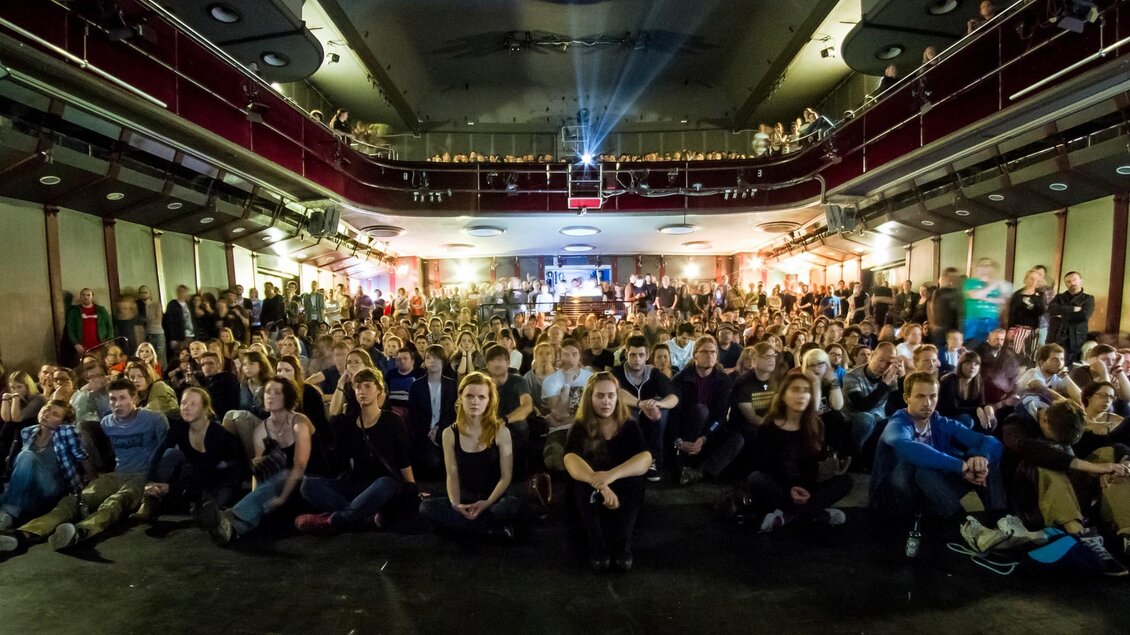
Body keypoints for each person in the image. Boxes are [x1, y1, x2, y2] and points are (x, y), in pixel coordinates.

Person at [8, 379, 168, 551]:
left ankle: (80, 532)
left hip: (143, 476)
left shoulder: (154, 419)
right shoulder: (107, 422)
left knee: (114, 502)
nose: (117, 404)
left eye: (123, 398)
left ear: (134, 399)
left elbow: (168, 450)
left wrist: (158, 482)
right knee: (76, 500)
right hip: (117, 474)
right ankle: (25, 533)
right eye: (113, 399)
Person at [1001, 398, 1130, 571]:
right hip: (1034, 495)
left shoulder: (1066, 421)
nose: (1063, 445)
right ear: (1044, 419)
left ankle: (1126, 535)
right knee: (1049, 465)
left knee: (1111, 457)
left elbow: (1118, 446)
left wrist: (1120, 465)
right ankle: (1078, 534)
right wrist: (1094, 467)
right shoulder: (1016, 422)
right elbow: (1028, 448)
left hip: (1073, 491)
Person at [869, 372, 1005, 522]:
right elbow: (910, 449)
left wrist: (981, 459)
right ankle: (961, 523)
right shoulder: (898, 423)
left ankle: (1000, 520)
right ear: (907, 398)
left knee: (983, 458)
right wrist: (961, 466)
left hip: (934, 493)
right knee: (920, 466)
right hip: (897, 500)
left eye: (932, 396)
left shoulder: (940, 422)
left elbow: (992, 441)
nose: (927, 403)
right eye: (920, 396)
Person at [294, 369, 416, 534]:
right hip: (354, 483)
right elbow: (334, 418)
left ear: (379, 390)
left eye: (367, 386)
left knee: (385, 484)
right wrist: (339, 384)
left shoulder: (392, 420)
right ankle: (363, 516)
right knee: (308, 485)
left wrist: (411, 486)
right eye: (358, 387)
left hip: (380, 483)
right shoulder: (348, 423)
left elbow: (403, 459)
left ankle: (332, 519)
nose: (362, 391)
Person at [200, 377, 313, 544]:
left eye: (277, 392)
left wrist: (281, 498)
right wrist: (256, 493)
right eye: (268, 392)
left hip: (308, 481)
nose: (270, 396)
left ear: (287, 397)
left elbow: (300, 466)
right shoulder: (262, 429)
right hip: (276, 483)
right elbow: (258, 472)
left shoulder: (299, 423)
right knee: (265, 479)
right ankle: (231, 530)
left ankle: (230, 515)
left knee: (283, 476)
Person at [745, 370, 853, 532]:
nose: (801, 395)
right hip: (780, 485)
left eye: (806, 391)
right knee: (756, 479)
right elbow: (764, 465)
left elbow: (815, 466)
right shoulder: (769, 426)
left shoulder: (816, 425)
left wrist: (808, 489)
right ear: (783, 396)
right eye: (795, 390)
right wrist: (790, 489)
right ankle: (817, 513)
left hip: (808, 486)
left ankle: (787, 516)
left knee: (847, 481)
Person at [563, 372, 652, 571]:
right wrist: (601, 485)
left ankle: (623, 545)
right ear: (590, 398)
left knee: (636, 481)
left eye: (611, 396)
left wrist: (610, 477)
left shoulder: (629, 425)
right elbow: (571, 460)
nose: (606, 401)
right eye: (600, 396)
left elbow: (645, 459)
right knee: (581, 484)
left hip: (619, 486)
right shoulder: (579, 426)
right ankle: (597, 546)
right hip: (591, 489)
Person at [420, 372, 521, 540]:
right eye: (470, 396)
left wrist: (486, 504)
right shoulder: (449, 433)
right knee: (426, 508)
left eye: (482, 397)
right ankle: (489, 531)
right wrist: (456, 504)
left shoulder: (501, 432)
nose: (475, 401)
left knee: (510, 507)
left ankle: (464, 530)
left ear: (489, 401)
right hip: (466, 496)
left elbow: (506, 477)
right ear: (460, 398)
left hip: (494, 499)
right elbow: (452, 474)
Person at [134, 388, 245, 522]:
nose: (186, 407)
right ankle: (149, 501)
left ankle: (209, 511)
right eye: (183, 403)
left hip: (221, 478)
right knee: (171, 454)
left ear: (204, 409)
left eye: (193, 404)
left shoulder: (217, 433)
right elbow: (158, 452)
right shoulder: (180, 427)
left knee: (207, 507)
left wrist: (172, 488)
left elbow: (208, 470)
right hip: (194, 475)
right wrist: (151, 480)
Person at [0, 401, 94, 539]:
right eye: (47, 409)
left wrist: (93, 487)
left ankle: (9, 513)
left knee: (27, 456)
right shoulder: (27, 432)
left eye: (55, 414)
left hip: (52, 488)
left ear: (63, 422)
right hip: (30, 494)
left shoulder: (66, 432)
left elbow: (83, 459)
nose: (47, 414)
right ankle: (8, 518)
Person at [671, 336, 741, 485]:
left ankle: (700, 471)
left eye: (713, 352)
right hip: (686, 431)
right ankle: (686, 463)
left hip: (710, 431)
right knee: (700, 410)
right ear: (695, 354)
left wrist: (705, 437)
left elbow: (720, 417)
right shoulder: (681, 379)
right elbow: (674, 414)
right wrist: (678, 440)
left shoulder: (724, 381)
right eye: (704, 352)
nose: (709, 356)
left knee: (737, 439)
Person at [612, 336, 678, 482]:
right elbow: (616, 392)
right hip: (627, 414)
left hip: (650, 416)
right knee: (631, 412)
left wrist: (658, 404)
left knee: (659, 411)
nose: (637, 359)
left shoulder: (654, 374)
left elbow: (673, 397)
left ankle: (652, 461)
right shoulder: (617, 372)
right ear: (626, 354)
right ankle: (630, 459)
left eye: (641, 355)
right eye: (633, 355)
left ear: (647, 355)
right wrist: (639, 403)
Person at [841, 342, 904, 460]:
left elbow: (900, 404)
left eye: (889, 363)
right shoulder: (852, 376)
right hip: (854, 417)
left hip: (878, 416)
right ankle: (855, 457)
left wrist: (902, 376)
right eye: (881, 360)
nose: (883, 366)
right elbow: (862, 405)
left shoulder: (891, 376)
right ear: (872, 355)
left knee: (900, 420)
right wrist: (885, 383)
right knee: (867, 418)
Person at [541, 339, 594, 471]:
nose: (570, 358)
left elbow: (593, 411)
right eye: (566, 354)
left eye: (574, 354)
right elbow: (559, 414)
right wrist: (567, 385)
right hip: (559, 430)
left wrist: (571, 418)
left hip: (584, 426)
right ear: (559, 356)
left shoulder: (591, 378)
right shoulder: (550, 381)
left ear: (580, 356)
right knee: (553, 458)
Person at [407, 345, 458, 475]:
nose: (432, 361)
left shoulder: (452, 385)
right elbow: (413, 415)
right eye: (429, 358)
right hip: (423, 433)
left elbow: (453, 413)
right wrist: (427, 431)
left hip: (445, 430)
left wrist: (439, 428)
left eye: (437, 358)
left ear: (443, 361)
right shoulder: (416, 385)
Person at [1016, 344, 1082, 418]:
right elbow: (1044, 390)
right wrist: (1074, 408)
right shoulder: (1032, 373)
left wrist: (1065, 376)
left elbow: (1079, 396)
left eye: (1062, 359)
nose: (1060, 364)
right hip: (1017, 412)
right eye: (1055, 360)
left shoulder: (1055, 377)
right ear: (1041, 363)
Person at [1048, 271, 1094, 364]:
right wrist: (1072, 309)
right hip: (1057, 334)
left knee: (1070, 365)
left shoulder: (1088, 299)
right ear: (1065, 284)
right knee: (1052, 361)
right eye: (1068, 281)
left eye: (1074, 280)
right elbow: (1051, 310)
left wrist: (1061, 315)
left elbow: (1084, 316)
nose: (1072, 283)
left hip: (1076, 337)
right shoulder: (1060, 297)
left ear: (1080, 281)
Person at [64, 288, 114, 363]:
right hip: (82, 347)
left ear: (92, 297)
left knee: (101, 365)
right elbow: (70, 329)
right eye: (83, 295)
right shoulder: (74, 312)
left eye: (88, 295)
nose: (86, 297)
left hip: (100, 346)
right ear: (80, 297)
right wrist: (76, 344)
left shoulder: (101, 310)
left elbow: (109, 326)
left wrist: (109, 340)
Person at [928, 268, 962, 349]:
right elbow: (930, 307)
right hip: (940, 329)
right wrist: (932, 324)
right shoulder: (938, 292)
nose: (953, 279)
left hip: (955, 329)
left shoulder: (959, 293)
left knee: (953, 351)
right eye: (951, 276)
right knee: (939, 351)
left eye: (955, 277)